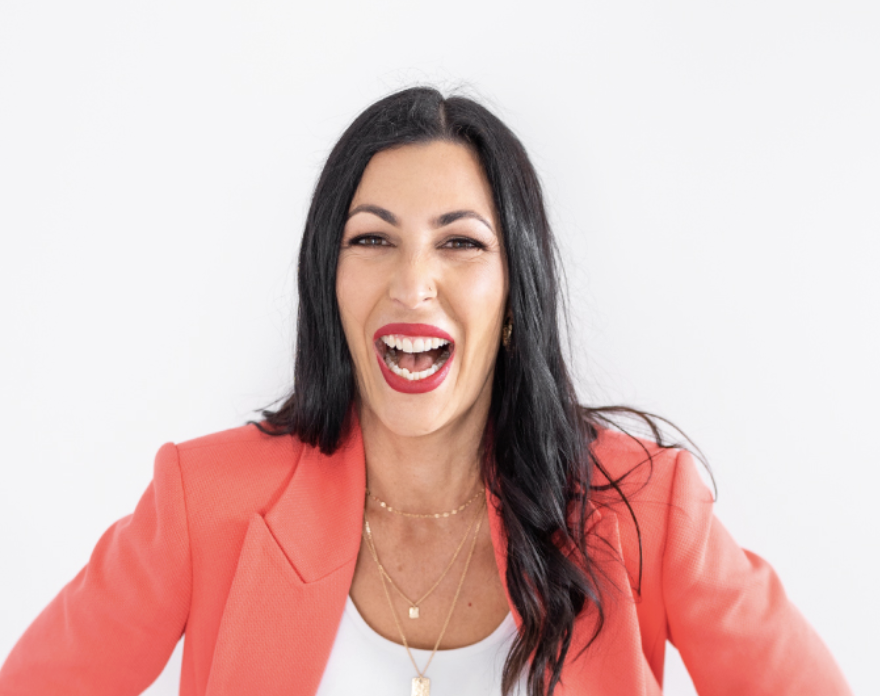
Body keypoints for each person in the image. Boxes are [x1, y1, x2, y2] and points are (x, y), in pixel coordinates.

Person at [0, 87, 851, 696]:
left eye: (460, 244)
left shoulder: (646, 509)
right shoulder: (205, 500)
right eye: (372, 240)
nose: (412, 285)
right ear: (328, 283)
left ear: (516, 296)